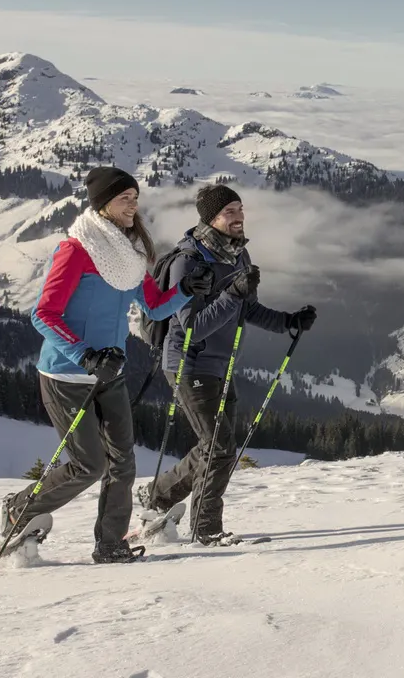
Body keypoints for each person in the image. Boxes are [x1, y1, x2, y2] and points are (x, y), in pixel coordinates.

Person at [3, 166, 215, 564]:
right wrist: (85, 354)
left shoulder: (129, 255)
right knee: (88, 464)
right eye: (125, 198)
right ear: (102, 205)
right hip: (67, 374)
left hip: (109, 374)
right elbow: (43, 315)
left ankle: (111, 543)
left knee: (123, 463)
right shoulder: (76, 250)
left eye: (135, 198)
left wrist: (185, 291)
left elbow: (153, 305)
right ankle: (19, 509)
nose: (133, 205)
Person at [136, 184, 317, 546]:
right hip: (189, 364)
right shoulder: (189, 262)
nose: (239, 217)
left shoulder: (237, 256)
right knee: (219, 446)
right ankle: (206, 529)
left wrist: (287, 322)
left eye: (240, 209)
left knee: (214, 444)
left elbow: (245, 309)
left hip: (221, 364)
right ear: (210, 218)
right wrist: (232, 293)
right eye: (229, 212)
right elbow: (193, 328)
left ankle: (156, 495)